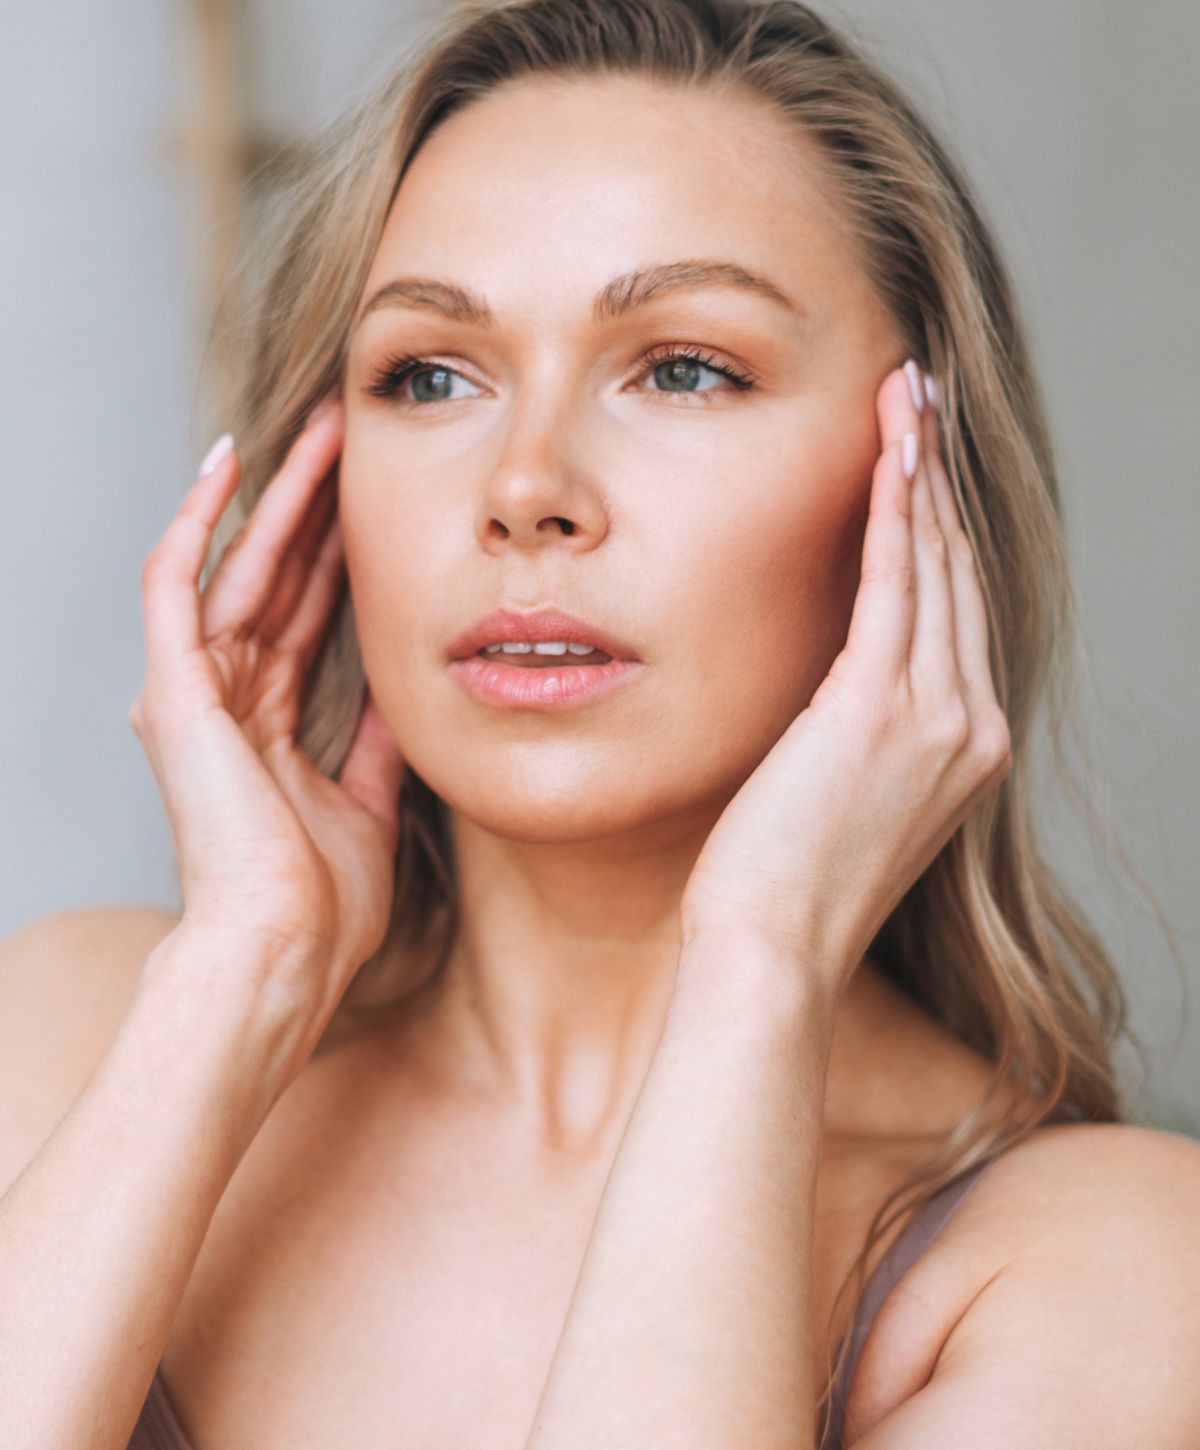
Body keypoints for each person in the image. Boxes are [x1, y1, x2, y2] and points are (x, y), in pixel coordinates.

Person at [0, 1, 1196, 1446]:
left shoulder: (1108, 1266)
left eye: (684, 366)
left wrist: (760, 958)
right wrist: (237, 972)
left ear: (922, 485)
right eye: (429, 374)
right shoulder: (73, 1035)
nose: (524, 485)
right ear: (324, 487)